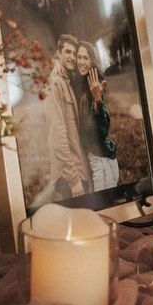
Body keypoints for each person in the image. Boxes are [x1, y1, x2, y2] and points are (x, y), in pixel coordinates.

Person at [43, 33, 92, 201]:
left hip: (79, 170)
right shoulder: (54, 84)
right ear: (58, 53)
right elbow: (57, 136)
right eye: (68, 52)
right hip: (69, 177)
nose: (72, 57)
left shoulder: (66, 82)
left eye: (74, 53)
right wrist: (73, 180)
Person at [74, 41, 119, 192]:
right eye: (78, 57)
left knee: (106, 194)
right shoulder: (79, 83)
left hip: (99, 153)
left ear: (92, 60)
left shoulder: (95, 85)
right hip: (92, 152)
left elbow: (102, 127)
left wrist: (98, 99)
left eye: (85, 58)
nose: (81, 62)